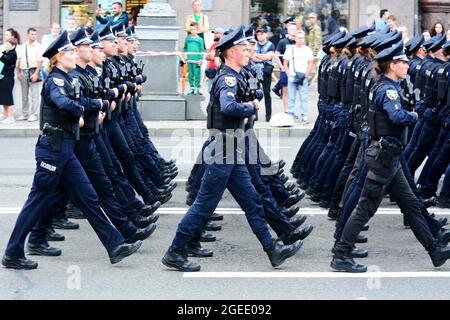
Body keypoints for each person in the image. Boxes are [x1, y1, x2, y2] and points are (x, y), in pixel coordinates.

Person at [162, 26, 302, 272]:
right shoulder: (227, 78)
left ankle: (273, 250)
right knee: (204, 205)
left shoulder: (236, 76)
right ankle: (175, 251)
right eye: (242, 50)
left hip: (232, 147)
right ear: (230, 53)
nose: (247, 53)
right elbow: (228, 107)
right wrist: (251, 106)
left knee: (252, 202)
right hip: (222, 148)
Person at [1, 30, 142, 270]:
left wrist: (93, 105)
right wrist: (79, 111)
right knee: (37, 200)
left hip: (66, 148)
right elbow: (63, 103)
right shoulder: (55, 80)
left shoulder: (71, 79)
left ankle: (115, 244)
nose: (74, 54)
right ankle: (13, 252)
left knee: (89, 197)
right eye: (69, 51)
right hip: (52, 149)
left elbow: (86, 101)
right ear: (58, 57)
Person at [331, 40, 450, 273]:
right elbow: (396, 117)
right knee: (365, 207)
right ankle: (341, 253)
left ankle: (434, 250)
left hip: (389, 156)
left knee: (412, 204)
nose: (407, 66)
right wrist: (413, 116)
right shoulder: (388, 90)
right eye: (403, 63)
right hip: (383, 157)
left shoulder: (385, 85)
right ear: (392, 65)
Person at [283, 31, 314, 123]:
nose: (301, 40)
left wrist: (306, 75)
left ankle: (304, 117)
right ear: (295, 39)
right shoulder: (290, 49)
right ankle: (290, 116)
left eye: (302, 38)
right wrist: (288, 74)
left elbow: (310, 63)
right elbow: (285, 62)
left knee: (303, 98)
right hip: (292, 76)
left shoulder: (307, 50)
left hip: (303, 77)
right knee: (291, 98)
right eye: (299, 38)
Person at [17, 27, 43, 122]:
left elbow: (39, 61)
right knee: (24, 95)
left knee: (35, 95)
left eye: (35, 34)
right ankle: (24, 114)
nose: (34, 36)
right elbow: (19, 60)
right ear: (28, 35)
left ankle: (34, 114)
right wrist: (18, 72)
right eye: (32, 34)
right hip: (23, 70)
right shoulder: (23, 46)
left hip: (33, 70)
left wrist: (36, 73)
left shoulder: (38, 46)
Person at [274, 24, 297, 112]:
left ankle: (292, 110)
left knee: (293, 91)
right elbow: (276, 55)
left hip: (295, 70)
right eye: (291, 29)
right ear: (288, 31)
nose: (293, 31)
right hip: (285, 69)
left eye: (295, 29)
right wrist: (281, 66)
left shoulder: (298, 42)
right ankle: (286, 110)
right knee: (285, 90)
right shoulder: (282, 42)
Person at [253, 27, 275, 122]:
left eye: (261, 34)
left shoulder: (270, 45)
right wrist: (262, 57)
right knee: (253, 94)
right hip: (254, 72)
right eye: (258, 34)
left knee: (267, 94)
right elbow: (251, 57)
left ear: (265, 34)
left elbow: (269, 57)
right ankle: (254, 115)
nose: (259, 36)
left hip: (266, 72)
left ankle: (268, 116)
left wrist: (257, 56)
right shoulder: (253, 44)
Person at [183, 22, 205, 95]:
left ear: (197, 30)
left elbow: (202, 50)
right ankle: (192, 88)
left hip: (197, 60)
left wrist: (200, 59)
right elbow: (185, 48)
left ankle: (197, 89)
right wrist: (185, 56)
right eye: (191, 29)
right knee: (190, 74)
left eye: (194, 29)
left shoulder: (200, 39)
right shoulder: (188, 38)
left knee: (197, 74)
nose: (192, 31)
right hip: (189, 59)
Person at [0, 39, 18, 124]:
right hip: (3, 78)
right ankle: (5, 115)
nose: (6, 46)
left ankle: (11, 117)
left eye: (8, 44)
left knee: (8, 98)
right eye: (6, 44)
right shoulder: (6, 52)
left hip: (8, 78)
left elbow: (6, 60)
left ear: (13, 46)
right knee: (4, 98)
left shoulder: (13, 54)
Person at [205, 27, 224, 93]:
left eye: (216, 33)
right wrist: (213, 56)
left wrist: (213, 56)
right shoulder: (213, 44)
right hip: (211, 70)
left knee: (218, 90)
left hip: (219, 69)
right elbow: (207, 57)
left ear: (221, 34)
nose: (214, 35)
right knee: (210, 90)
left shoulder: (223, 44)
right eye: (214, 33)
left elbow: (219, 57)